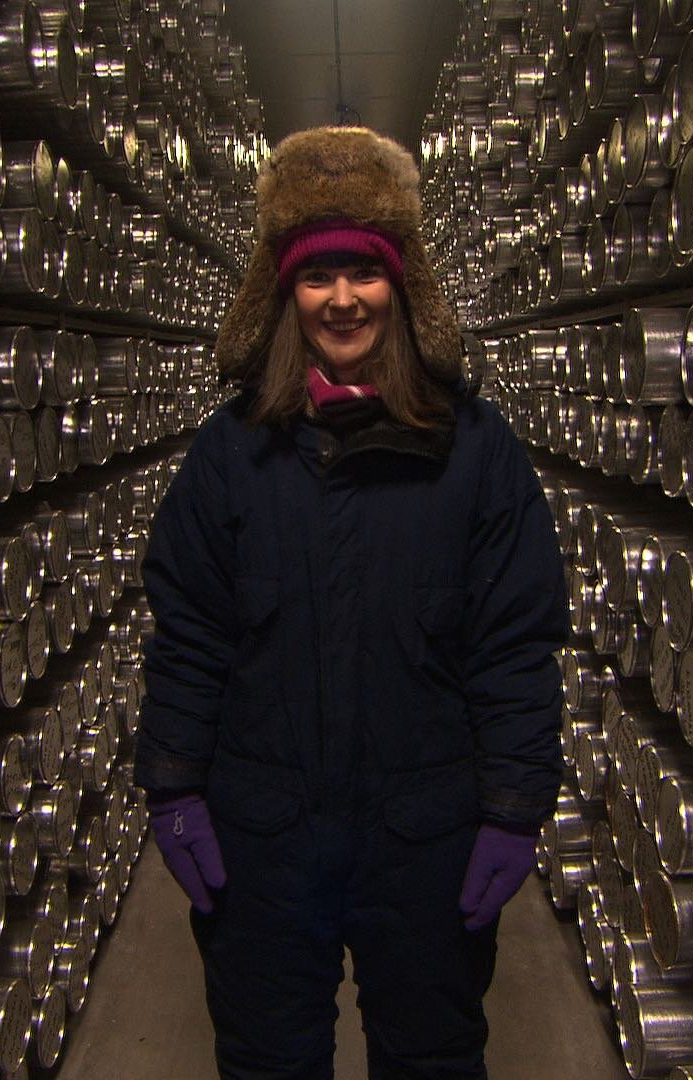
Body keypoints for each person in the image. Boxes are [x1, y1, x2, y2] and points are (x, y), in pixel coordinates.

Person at [135, 125, 569, 1080]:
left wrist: (512, 805)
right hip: (265, 831)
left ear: (400, 286)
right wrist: (172, 783)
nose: (342, 299)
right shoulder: (232, 453)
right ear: (285, 293)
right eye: (316, 275)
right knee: (266, 1059)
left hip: (424, 831)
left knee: (433, 1056)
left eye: (362, 273)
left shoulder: (474, 450)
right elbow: (191, 631)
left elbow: (513, 644)